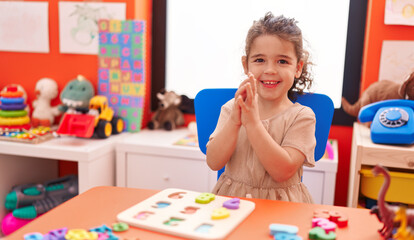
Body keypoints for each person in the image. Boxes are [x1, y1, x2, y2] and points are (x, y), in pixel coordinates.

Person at [206, 12, 316, 203]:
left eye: (282, 61)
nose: (270, 70)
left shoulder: (302, 116)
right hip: (232, 203)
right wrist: (234, 121)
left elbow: (282, 171)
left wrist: (253, 124)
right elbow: (214, 162)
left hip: (281, 208)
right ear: (245, 64)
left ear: (298, 67)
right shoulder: (232, 108)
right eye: (259, 60)